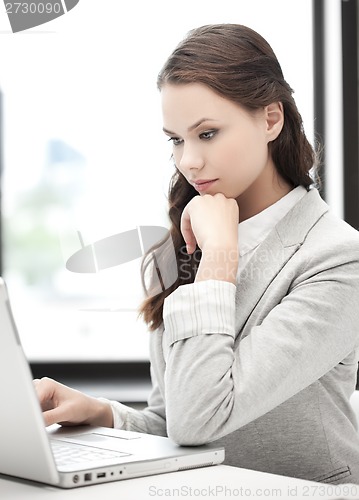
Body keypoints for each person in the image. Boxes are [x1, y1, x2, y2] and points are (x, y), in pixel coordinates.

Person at [34, 24, 359, 484]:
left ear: (271, 119)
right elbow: (178, 424)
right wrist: (105, 414)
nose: (188, 160)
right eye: (176, 139)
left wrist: (221, 258)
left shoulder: (338, 260)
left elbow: (201, 418)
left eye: (207, 134)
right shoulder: (177, 250)